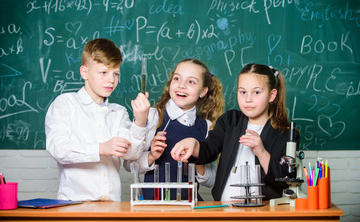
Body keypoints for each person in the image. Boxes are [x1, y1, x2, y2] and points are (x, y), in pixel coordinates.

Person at [171, 63, 299, 201]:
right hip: (225, 210)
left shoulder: (286, 135)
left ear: (272, 95)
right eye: (243, 92)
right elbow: (210, 148)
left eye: (256, 92)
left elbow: (286, 181)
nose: (248, 99)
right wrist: (194, 144)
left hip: (262, 213)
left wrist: (262, 153)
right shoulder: (230, 121)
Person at [45, 38, 150, 201]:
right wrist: (100, 148)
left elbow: (131, 154)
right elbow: (58, 148)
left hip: (111, 206)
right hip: (73, 206)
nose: (111, 80)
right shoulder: (65, 104)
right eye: (103, 73)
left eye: (116, 74)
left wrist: (141, 121)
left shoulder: (119, 112)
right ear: (84, 72)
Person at [125, 58, 225, 201]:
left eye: (191, 81)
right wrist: (151, 156)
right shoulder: (153, 116)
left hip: (190, 208)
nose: (181, 85)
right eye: (177, 78)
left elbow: (210, 181)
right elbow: (129, 165)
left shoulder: (206, 126)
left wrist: (198, 157)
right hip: (153, 207)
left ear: (203, 91)